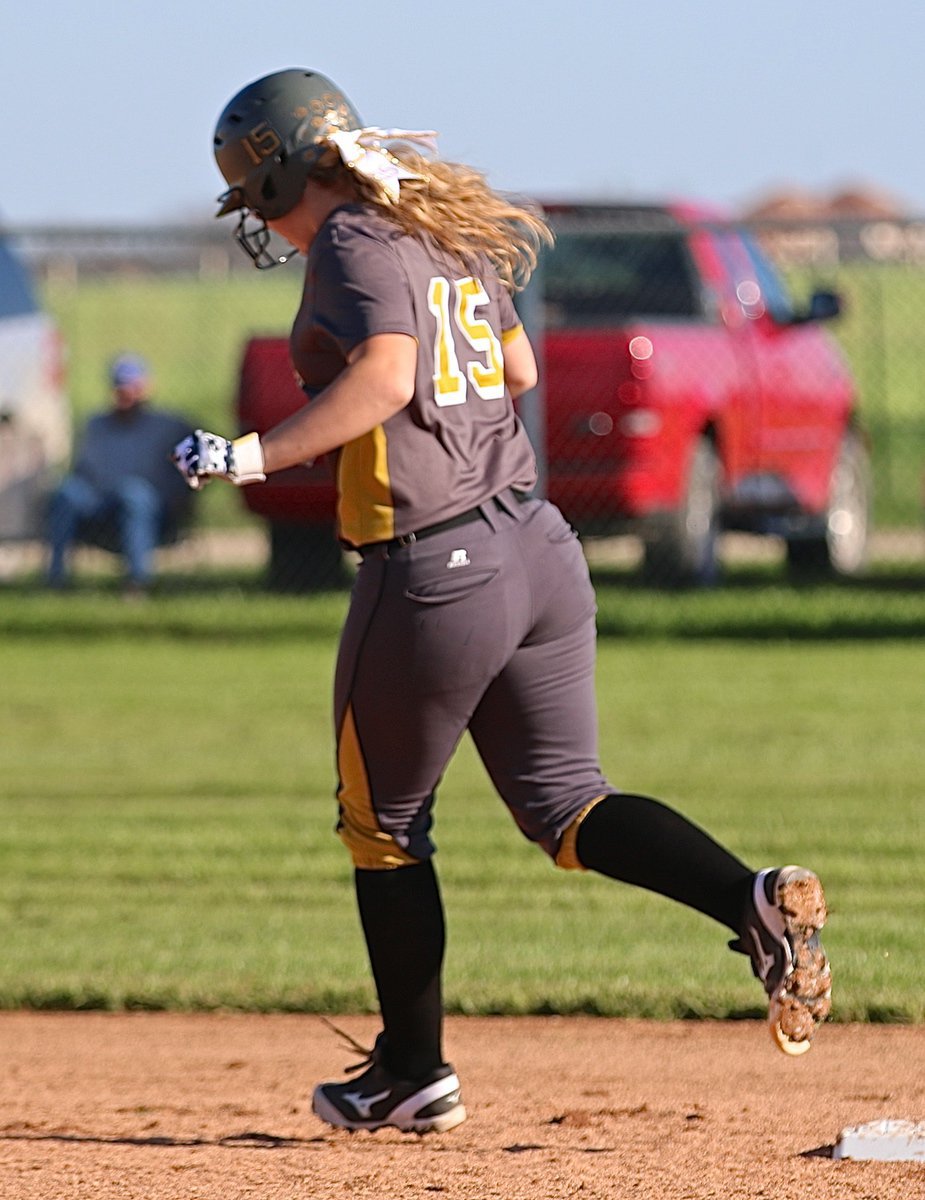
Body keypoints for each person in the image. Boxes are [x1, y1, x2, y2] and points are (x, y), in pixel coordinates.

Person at [173, 68, 832, 1134]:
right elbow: (516, 367)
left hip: (432, 568)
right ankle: (748, 899)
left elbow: (387, 378)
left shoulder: (348, 241)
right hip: (536, 545)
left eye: (258, 192)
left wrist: (250, 455)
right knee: (569, 807)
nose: (263, 216)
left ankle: (412, 1074)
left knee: (382, 828)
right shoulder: (437, 228)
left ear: (287, 173)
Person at [47, 354, 195, 594]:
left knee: (133, 493)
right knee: (66, 494)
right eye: (120, 386)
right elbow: (82, 472)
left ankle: (136, 583)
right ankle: (55, 581)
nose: (126, 393)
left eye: (132, 386)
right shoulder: (96, 425)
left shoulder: (169, 426)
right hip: (100, 507)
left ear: (145, 387)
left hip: (151, 512)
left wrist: (184, 492)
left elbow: (201, 446)